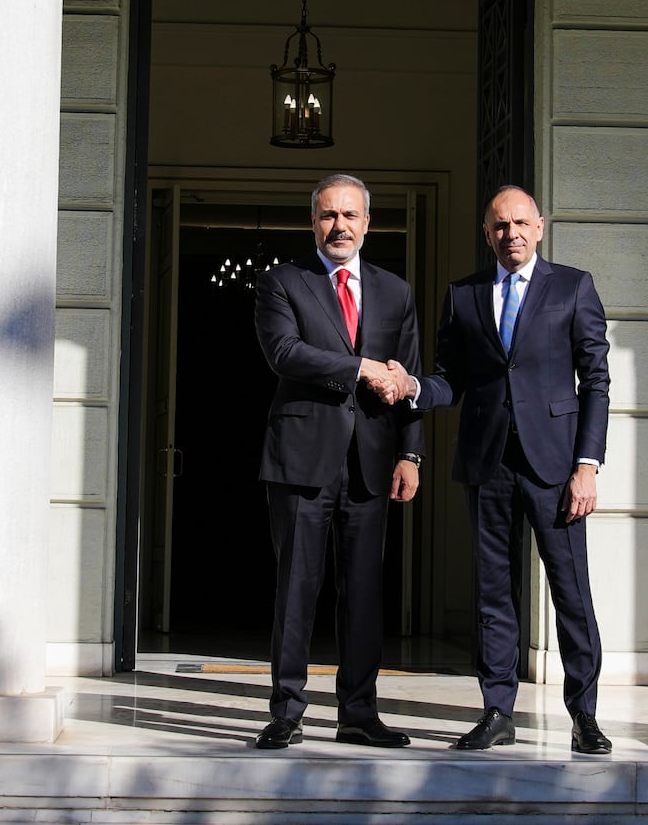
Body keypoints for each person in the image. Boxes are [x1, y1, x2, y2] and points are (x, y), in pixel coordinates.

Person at [388, 185, 613, 754]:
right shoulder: (463, 295)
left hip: (556, 469)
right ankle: (497, 711)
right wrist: (413, 386)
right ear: (486, 234)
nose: (510, 233)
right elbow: (448, 378)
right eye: (498, 226)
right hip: (487, 465)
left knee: (571, 591)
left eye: (519, 223)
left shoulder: (573, 286)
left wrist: (586, 466)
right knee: (493, 592)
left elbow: (597, 381)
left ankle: (584, 715)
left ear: (539, 227)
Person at [250, 173, 423, 750]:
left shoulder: (395, 291)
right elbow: (284, 353)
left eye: (350, 215)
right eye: (328, 215)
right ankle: (287, 712)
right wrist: (358, 368)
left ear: (369, 223)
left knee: (364, 592)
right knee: (296, 586)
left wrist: (410, 452)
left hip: (372, 461)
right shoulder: (283, 282)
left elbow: (409, 379)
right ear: (313, 222)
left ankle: (359, 713)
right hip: (303, 459)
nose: (339, 226)